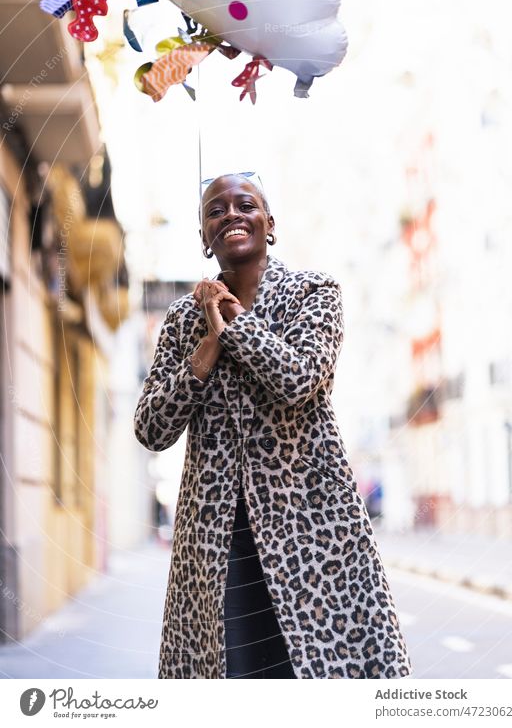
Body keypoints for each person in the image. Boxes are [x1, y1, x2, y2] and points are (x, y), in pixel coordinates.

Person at [134, 172, 413, 679]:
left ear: (271, 224)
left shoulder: (315, 293)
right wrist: (205, 351)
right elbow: (151, 429)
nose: (232, 215)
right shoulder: (181, 321)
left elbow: (299, 380)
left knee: (318, 670)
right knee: (231, 672)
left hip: (311, 524)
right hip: (215, 536)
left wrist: (234, 324)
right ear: (203, 237)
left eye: (246, 205)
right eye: (216, 211)